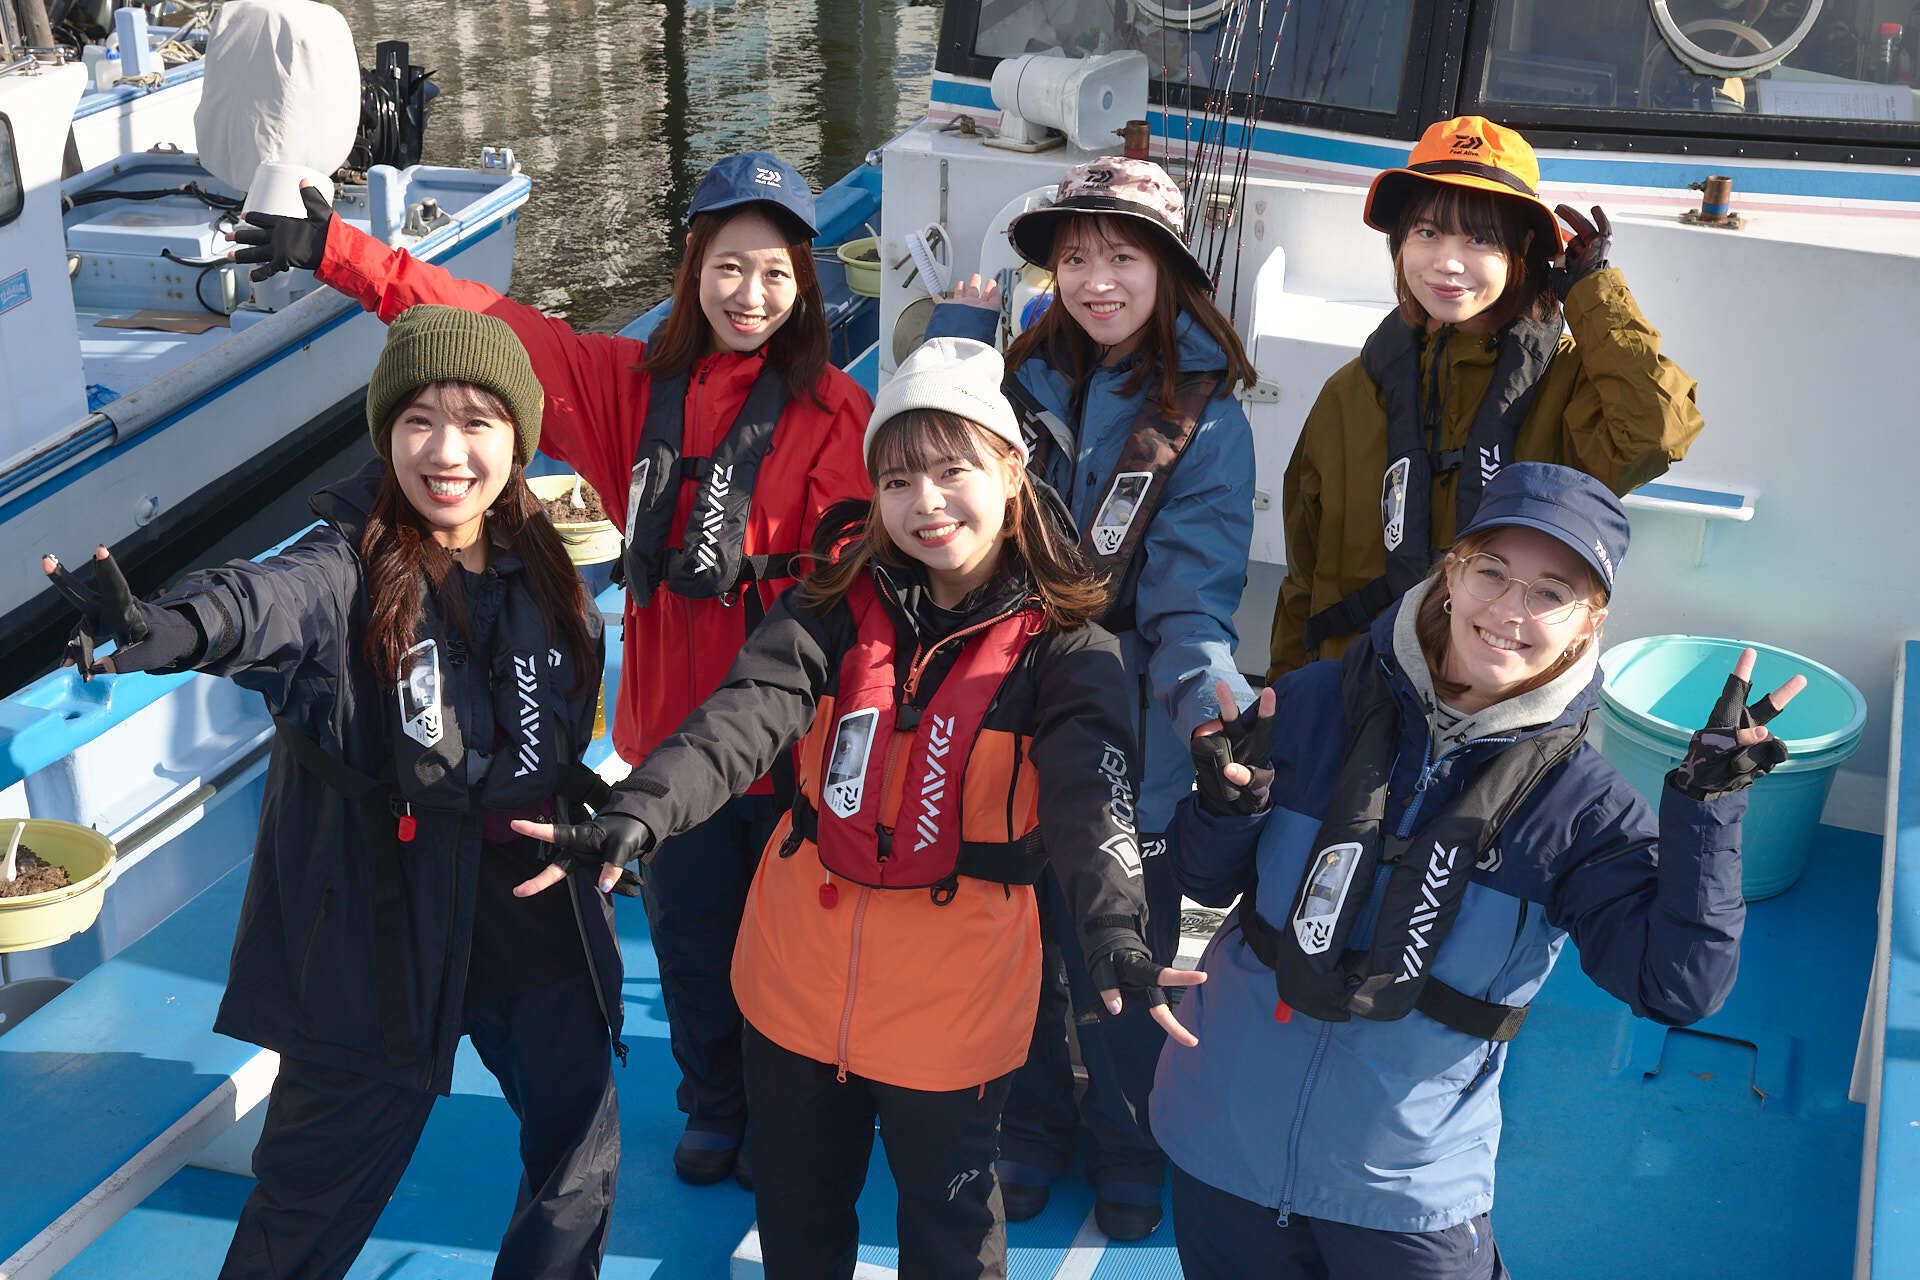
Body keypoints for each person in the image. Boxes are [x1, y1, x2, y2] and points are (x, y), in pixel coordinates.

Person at [232, 152, 874, 1186]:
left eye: (774, 273)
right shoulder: (626, 389)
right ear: (692, 267)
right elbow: (484, 322)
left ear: (803, 284)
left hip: (797, 746)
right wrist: (335, 253)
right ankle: (714, 1099)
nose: (748, 295)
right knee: (696, 944)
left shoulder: (844, 414)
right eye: (727, 266)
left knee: (804, 953)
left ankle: (796, 1114)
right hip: (672, 751)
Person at [513, 337, 1205, 1279]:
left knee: (951, 1238)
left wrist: (1116, 928)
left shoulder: (1069, 652)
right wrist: (639, 811)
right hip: (794, 987)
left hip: (952, 1012)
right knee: (801, 1225)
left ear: (1011, 470)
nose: (925, 504)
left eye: (951, 471)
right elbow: (739, 719)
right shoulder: (829, 607)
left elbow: (1093, 801)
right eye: (896, 481)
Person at [43, 306, 626, 1280]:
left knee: (578, 1159)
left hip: (527, 901)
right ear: (386, 430)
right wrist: (161, 627)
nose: (448, 449)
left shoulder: (542, 565)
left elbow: (554, 730)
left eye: (479, 420)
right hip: (380, 930)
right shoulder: (340, 569)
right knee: (303, 1219)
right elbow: (249, 603)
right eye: (420, 420)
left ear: (517, 439)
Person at [1156, 461, 1806, 1279]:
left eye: (1549, 592)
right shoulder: (1314, 700)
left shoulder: (1583, 808)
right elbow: (1203, 879)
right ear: (1450, 575)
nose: (1508, 611)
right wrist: (1224, 804)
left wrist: (1707, 817)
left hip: (1404, 1195)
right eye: (1491, 571)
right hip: (1222, 1142)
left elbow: (1677, 986)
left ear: (1587, 624)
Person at [928, 154, 1257, 1238]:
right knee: (1016, 932)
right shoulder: (1011, 380)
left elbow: (1188, 606)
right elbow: (932, 472)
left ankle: (1129, 1141)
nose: (1097, 280)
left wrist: (1210, 712)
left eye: (1122, 256)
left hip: (1132, 731)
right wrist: (958, 342)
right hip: (1005, 720)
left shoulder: (1206, 423)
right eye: (1075, 257)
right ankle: (1029, 1125)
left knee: (1120, 951)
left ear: (1168, 270)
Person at [1268, 115, 1705, 681]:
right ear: (1399, 242)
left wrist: (1594, 289)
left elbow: (1658, 433)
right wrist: (1284, 699)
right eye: (1426, 233)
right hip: (1355, 689)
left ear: (1523, 250)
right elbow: (1303, 576)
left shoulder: (1571, 383)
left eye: (1480, 238)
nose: (1448, 263)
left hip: (1492, 704)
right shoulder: (1351, 391)